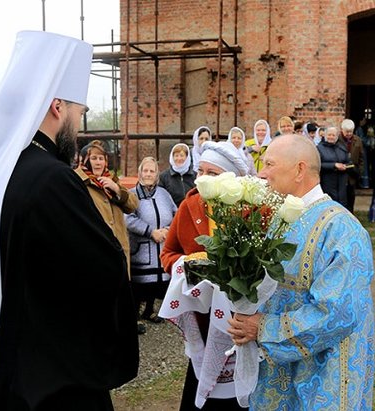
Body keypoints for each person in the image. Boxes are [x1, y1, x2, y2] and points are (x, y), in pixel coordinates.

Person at [0, 31, 138, 410]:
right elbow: (102, 272)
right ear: (57, 106)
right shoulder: (51, 180)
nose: (79, 123)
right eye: (79, 112)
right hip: (52, 374)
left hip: (2, 356)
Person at [228, 134, 375, 410]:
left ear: (299, 170)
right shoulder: (280, 219)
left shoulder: (342, 230)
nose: (262, 173)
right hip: (277, 372)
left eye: (270, 164)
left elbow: (337, 313)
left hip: (324, 375)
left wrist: (263, 327)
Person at [159, 141, 249, 411]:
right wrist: (190, 266)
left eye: (212, 173)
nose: (203, 179)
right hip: (203, 311)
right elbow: (168, 253)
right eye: (200, 171)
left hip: (241, 316)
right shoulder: (190, 206)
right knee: (202, 386)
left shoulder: (249, 208)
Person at [126, 157, 177, 326]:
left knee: (159, 283)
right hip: (141, 251)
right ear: (140, 173)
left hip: (162, 248)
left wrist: (168, 230)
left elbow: (176, 215)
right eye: (145, 170)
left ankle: (152, 310)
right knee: (139, 287)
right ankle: (135, 318)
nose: (148, 174)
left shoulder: (164, 194)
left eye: (152, 171)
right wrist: (150, 232)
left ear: (157, 175)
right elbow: (127, 219)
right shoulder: (131, 195)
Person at [76, 140, 138, 271]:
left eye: (101, 158)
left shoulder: (111, 179)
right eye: (93, 158)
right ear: (83, 160)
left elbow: (133, 205)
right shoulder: (77, 182)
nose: (98, 162)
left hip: (119, 249)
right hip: (96, 251)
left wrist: (116, 189)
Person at [317, 125, 353, 208]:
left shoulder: (341, 147)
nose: (331, 137)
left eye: (333, 135)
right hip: (327, 182)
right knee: (329, 205)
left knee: (342, 204)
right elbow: (318, 164)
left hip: (342, 181)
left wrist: (346, 166)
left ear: (337, 137)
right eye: (329, 135)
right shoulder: (319, 148)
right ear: (325, 136)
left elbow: (349, 162)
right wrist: (334, 165)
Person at [340, 119, 365, 211]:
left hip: (352, 173)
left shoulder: (357, 140)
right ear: (342, 130)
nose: (349, 134)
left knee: (351, 196)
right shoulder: (337, 139)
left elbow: (361, 158)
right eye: (347, 132)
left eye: (351, 131)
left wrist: (360, 171)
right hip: (340, 172)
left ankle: (351, 215)